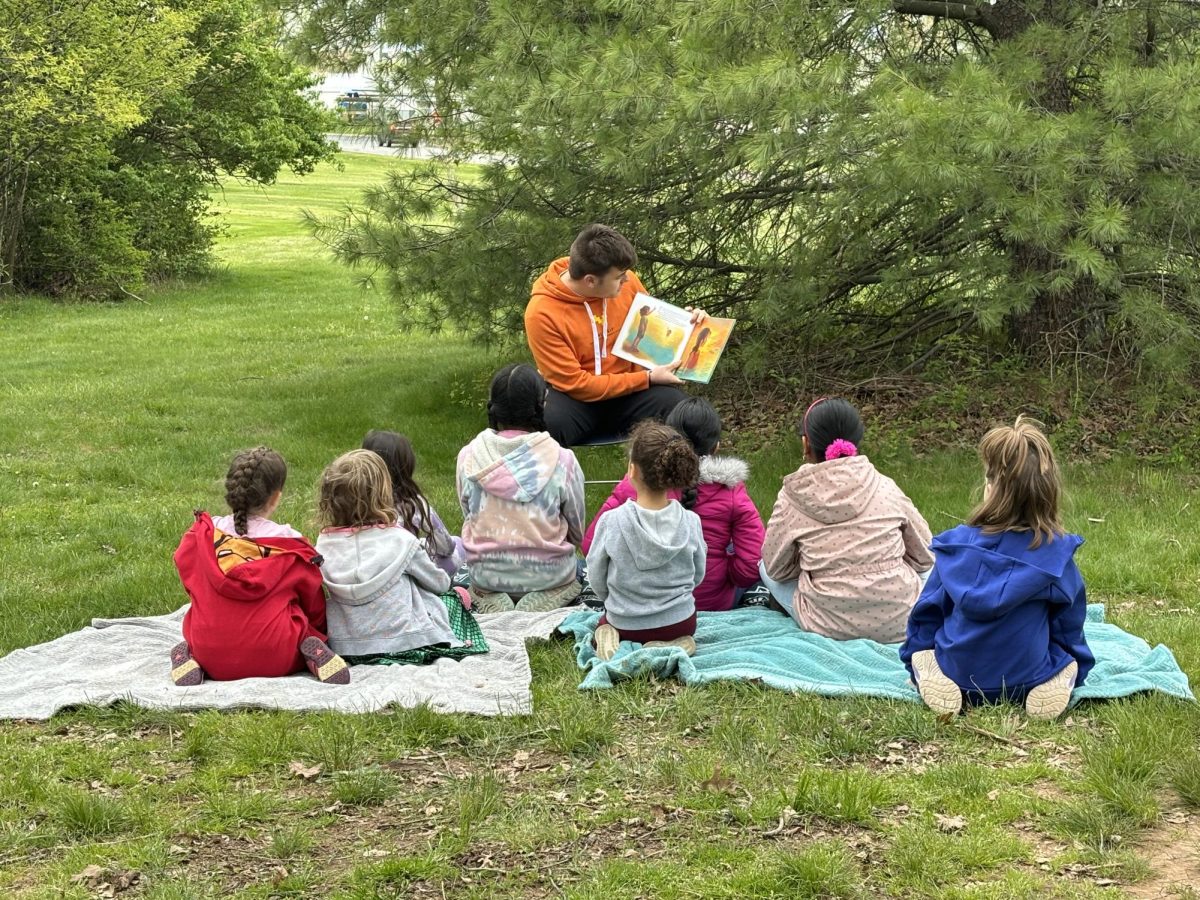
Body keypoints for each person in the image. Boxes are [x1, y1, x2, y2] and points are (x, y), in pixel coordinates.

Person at [900, 417, 1095, 720]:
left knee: (930, 652)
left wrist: (915, 653)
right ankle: (1056, 675)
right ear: (1047, 494)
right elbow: (1068, 626)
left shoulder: (956, 548)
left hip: (956, 673)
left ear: (990, 488)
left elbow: (926, 613)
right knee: (1060, 656)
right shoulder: (1054, 556)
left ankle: (930, 669)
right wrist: (1076, 663)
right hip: (1027, 677)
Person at [760, 398, 934, 643]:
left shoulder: (792, 495)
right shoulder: (885, 485)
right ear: (856, 441)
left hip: (826, 625)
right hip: (899, 622)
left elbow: (775, 568)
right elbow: (925, 556)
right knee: (935, 568)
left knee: (762, 567)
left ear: (805, 443)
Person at [170, 447, 349, 685]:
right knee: (296, 620)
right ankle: (309, 650)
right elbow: (313, 602)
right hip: (278, 655)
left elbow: (189, 577)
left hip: (211, 655)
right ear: (276, 497)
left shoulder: (202, 537)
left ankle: (188, 653)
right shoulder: (290, 546)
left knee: (199, 617)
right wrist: (316, 631)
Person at [525, 223, 704, 447]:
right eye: (620, 277)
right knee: (540, 432)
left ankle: (693, 481)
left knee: (688, 415)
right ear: (590, 280)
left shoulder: (625, 283)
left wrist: (688, 322)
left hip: (630, 396)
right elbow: (577, 384)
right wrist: (647, 378)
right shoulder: (541, 313)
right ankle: (559, 480)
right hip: (575, 401)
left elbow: (653, 332)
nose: (627, 280)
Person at [582, 398, 764, 611]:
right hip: (710, 603)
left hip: (635, 603)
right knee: (737, 552)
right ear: (716, 447)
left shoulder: (636, 483)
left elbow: (591, 545)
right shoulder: (731, 492)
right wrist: (725, 575)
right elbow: (751, 564)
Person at [315, 449, 469, 660]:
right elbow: (440, 584)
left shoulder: (324, 544)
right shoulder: (401, 540)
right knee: (451, 599)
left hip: (344, 644)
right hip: (407, 639)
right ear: (381, 494)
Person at [457, 363, 586, 612]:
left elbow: (469, 514)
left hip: (486, 574)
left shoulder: (468, 457)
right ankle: (546, 595)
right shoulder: (563, 460)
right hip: (551, 574)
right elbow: (576, 528)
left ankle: (491, 596)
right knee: (574, 576)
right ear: (542, 404)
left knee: (481, 581)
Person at [587, 422, 707, 660]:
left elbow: (596, 576)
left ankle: (609, 635)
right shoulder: (692, 521)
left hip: (625, 623)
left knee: (602, 623)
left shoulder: (611, 522)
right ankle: (675, 645)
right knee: (678, 628)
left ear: (631, 469)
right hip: (681, 623)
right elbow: (697, 575)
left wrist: (614, 601)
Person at [362, 429, 465, 576]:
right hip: (406, 574)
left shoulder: (356, 502)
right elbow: (445, 547)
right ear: (406, 466)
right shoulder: (412, 504)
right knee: (459, 544)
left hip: (369, 572)